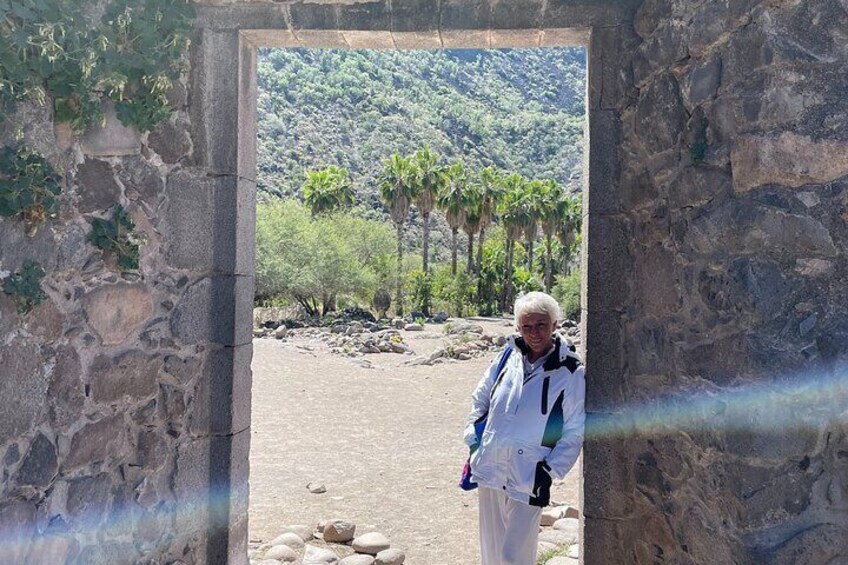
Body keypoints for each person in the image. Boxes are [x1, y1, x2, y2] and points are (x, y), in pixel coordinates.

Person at [463, 291, 586, 565]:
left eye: (541, 324)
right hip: (491, 466)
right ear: (518, 327)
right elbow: (480, 399)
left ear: (554, 324)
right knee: (491, 553)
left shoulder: (570, 371)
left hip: (529, 474)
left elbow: (575, 430)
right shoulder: (507, 357)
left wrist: (550, 471)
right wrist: (474, 443)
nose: (534, 332)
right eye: (527, 326)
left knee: (514, 557)